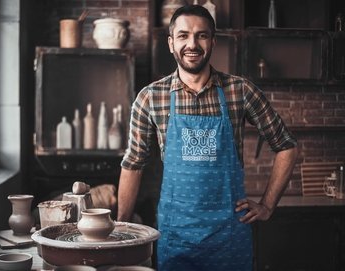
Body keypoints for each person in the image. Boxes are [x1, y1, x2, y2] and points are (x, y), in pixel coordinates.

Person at [117, 5, 298, 271]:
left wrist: (268, 205)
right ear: (171, 43)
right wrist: (121, 229)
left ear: (213, 42)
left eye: (201, 35)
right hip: (176, 236)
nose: (192, 44)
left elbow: (286, 146)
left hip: (229, 236)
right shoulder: (150, 97)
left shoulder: (241, 90)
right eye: (183, 35)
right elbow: (133, 163)